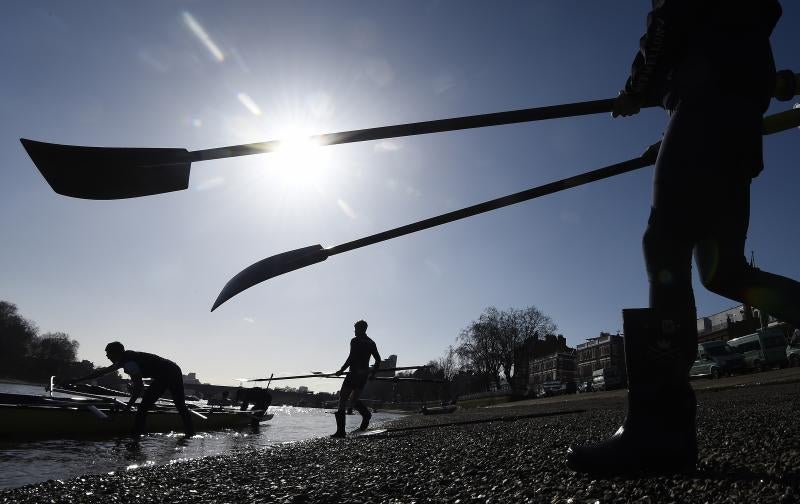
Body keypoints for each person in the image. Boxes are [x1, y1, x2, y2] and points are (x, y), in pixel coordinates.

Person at [566, 0, 800, 475]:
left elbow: (669, 17)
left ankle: (661, 431)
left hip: (707, 104)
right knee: (724, 270)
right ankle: (663, 428)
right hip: (735, 113)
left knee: (665, 243)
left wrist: (636, 89)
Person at [70, 342, 195, 438]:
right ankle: (137, 435)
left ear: (116, 353)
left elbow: (138, 386)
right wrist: (77, 380)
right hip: (164, 373)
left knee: (172, 405)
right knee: (147, 405)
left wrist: (128, 406)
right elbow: (102, 372)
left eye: (108, 353)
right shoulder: (124, 359)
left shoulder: (130, 363)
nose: (107, 356)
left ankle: (136, 436)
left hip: (172, 371)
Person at [330, 319, 381, 438]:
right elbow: (378, 360)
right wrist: (372, 374)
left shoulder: (355, 341)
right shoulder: (371, 342)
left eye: (355, 329)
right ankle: (366, 414)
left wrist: (341, 370)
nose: (354, 331)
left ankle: (341, 431)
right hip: (363, 376)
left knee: (342, 399)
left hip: (353, 374)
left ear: (360, 329)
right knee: (353, 401)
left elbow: (351, 357)